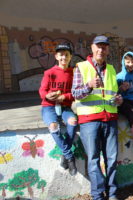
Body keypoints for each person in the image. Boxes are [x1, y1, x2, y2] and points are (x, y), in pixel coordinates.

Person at [72, 35, 122, 200]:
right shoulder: (81, 67)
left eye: (104, 47)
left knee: (112, 160)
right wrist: (89, 85)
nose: (101, 50)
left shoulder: (112, 69)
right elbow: (75, 93)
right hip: (89, 121)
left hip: (110, 118)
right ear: (92, 48)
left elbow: (113, 93)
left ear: (108, 49)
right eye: (98, 46)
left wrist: (119, 99)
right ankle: (97, 195)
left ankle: (113, 193)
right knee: (93, 160)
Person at [39, 44, 77, 176]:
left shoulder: (73, 73)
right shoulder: (49, 73)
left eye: (66, 54)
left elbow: (75, 93)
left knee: (73, 122)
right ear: (56, 56)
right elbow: (42, 90)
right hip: (49, 106)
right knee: (53, 126)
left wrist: (64, 96)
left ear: (70, 57)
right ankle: (69, 156)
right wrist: (47, 95)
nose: (64, 57)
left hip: (65, 106)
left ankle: (64, 154)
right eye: (61, 54)